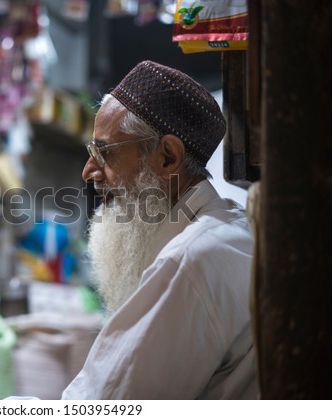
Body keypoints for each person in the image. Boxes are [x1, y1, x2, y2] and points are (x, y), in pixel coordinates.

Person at [61, 61, 257, 399]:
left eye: (104, 152)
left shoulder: (193, 258)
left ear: (168, 157)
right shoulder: (225, 228)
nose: (88, 171)